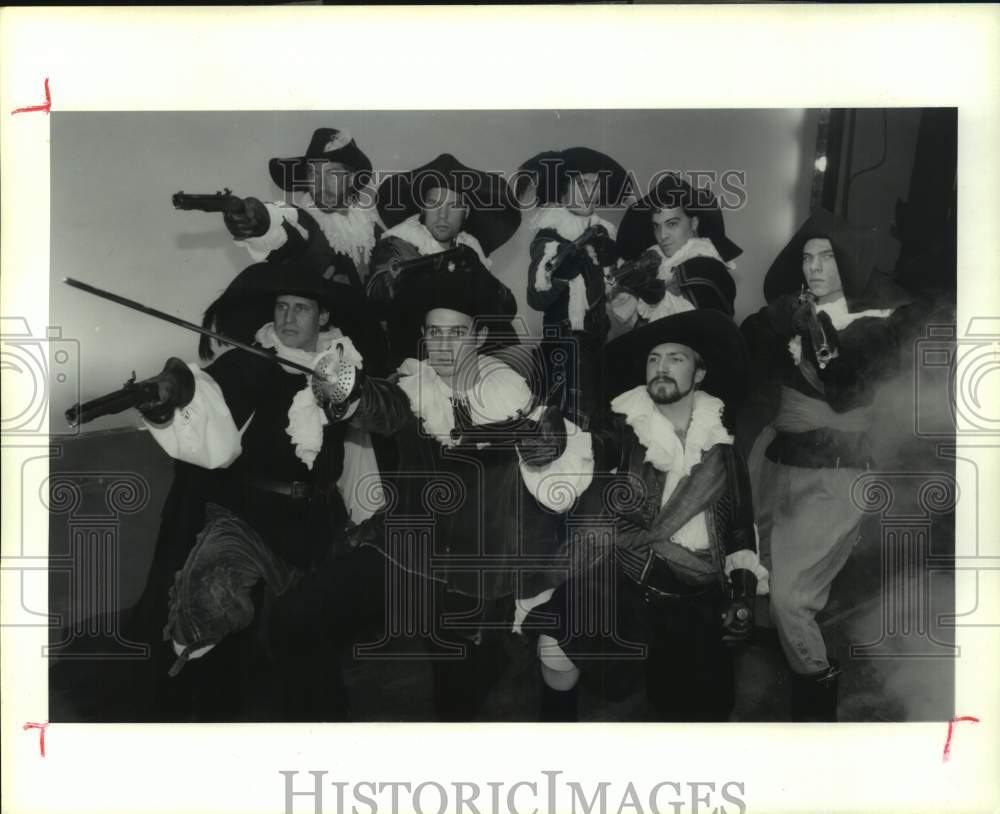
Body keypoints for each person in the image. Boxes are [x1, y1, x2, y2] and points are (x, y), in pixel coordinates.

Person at [299, 266, 591, 721]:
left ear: (476, 337)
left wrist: (547, 441)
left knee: (459, 695)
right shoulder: (413, 388)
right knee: (301, 613)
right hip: (408, 552)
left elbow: (554, 467)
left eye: (455, 333)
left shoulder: (510, 393)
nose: (443, 344)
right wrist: (348, 391)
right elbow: (381, 406)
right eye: (434, 332)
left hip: (483, 571)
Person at [127, 259, 388, 721]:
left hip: (314, 524)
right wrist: (170, 402)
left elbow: (363, 442)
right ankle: (198, 727)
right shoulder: (245, 361)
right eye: (282, 307)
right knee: (210, 608)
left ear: (323, 317)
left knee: (305, 642)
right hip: (246, 516)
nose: (288, 318)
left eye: (301, 309)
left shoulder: (345, 368)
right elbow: (201, 407)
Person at [524, 310, 769, 722]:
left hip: (698, 595)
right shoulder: (625, 427)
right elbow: (590, 445)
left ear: (700, 372)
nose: (661, 367)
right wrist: (553, 442)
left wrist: (742, 594)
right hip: (628, 581)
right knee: (555, 640)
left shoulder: (724, 442)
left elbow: (741, 526)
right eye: (654, 358)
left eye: (676, 358)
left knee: (698, 716)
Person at [740, 208, 913, 721]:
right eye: (807, 258)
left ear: (851, 264)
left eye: (826, 258)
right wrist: (781, 322)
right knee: (761, 567)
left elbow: (845, 387)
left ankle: (815, 715)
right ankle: (777, 661)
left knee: (793, 599)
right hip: (776, 458)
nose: (812, 268)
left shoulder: (879, 323)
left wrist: (812, 331)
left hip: (837, 474)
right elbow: (747, 339)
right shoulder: (794, 308)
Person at [365, 153, 522, 364]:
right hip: (414, 359)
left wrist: (474, 271)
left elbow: (505, 309)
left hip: (470, 358)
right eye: (433, 203)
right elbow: (378, 294)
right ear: (422, 207)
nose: (442, 215)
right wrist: (440, 267)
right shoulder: (398, 243)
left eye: (454, 206)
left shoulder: (469, 250)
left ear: (466, 212)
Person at [518, 146, 627, 430]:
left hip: (597, 349)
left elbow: (618, 299)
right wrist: (563, 271)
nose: (589, 191)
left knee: (601, 432)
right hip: (562, 352)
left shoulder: (606, 237)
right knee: (564, 430)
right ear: (564, 190)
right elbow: (536, 296)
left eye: (594, 184)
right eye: (581, 183)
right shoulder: (550, 234)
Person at [221, 128, 381, 291]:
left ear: (351, 178)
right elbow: (280, 219)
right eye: (314, 174)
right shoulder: (304, 221)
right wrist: (258, 218)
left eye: (332, 173)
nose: (321, 184)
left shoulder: (368, 226)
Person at [609, 173, 742, 338]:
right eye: (656, 226)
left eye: (672, 224)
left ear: (694, 223)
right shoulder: (659, 263)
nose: (662, 235)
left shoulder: (707, 268)